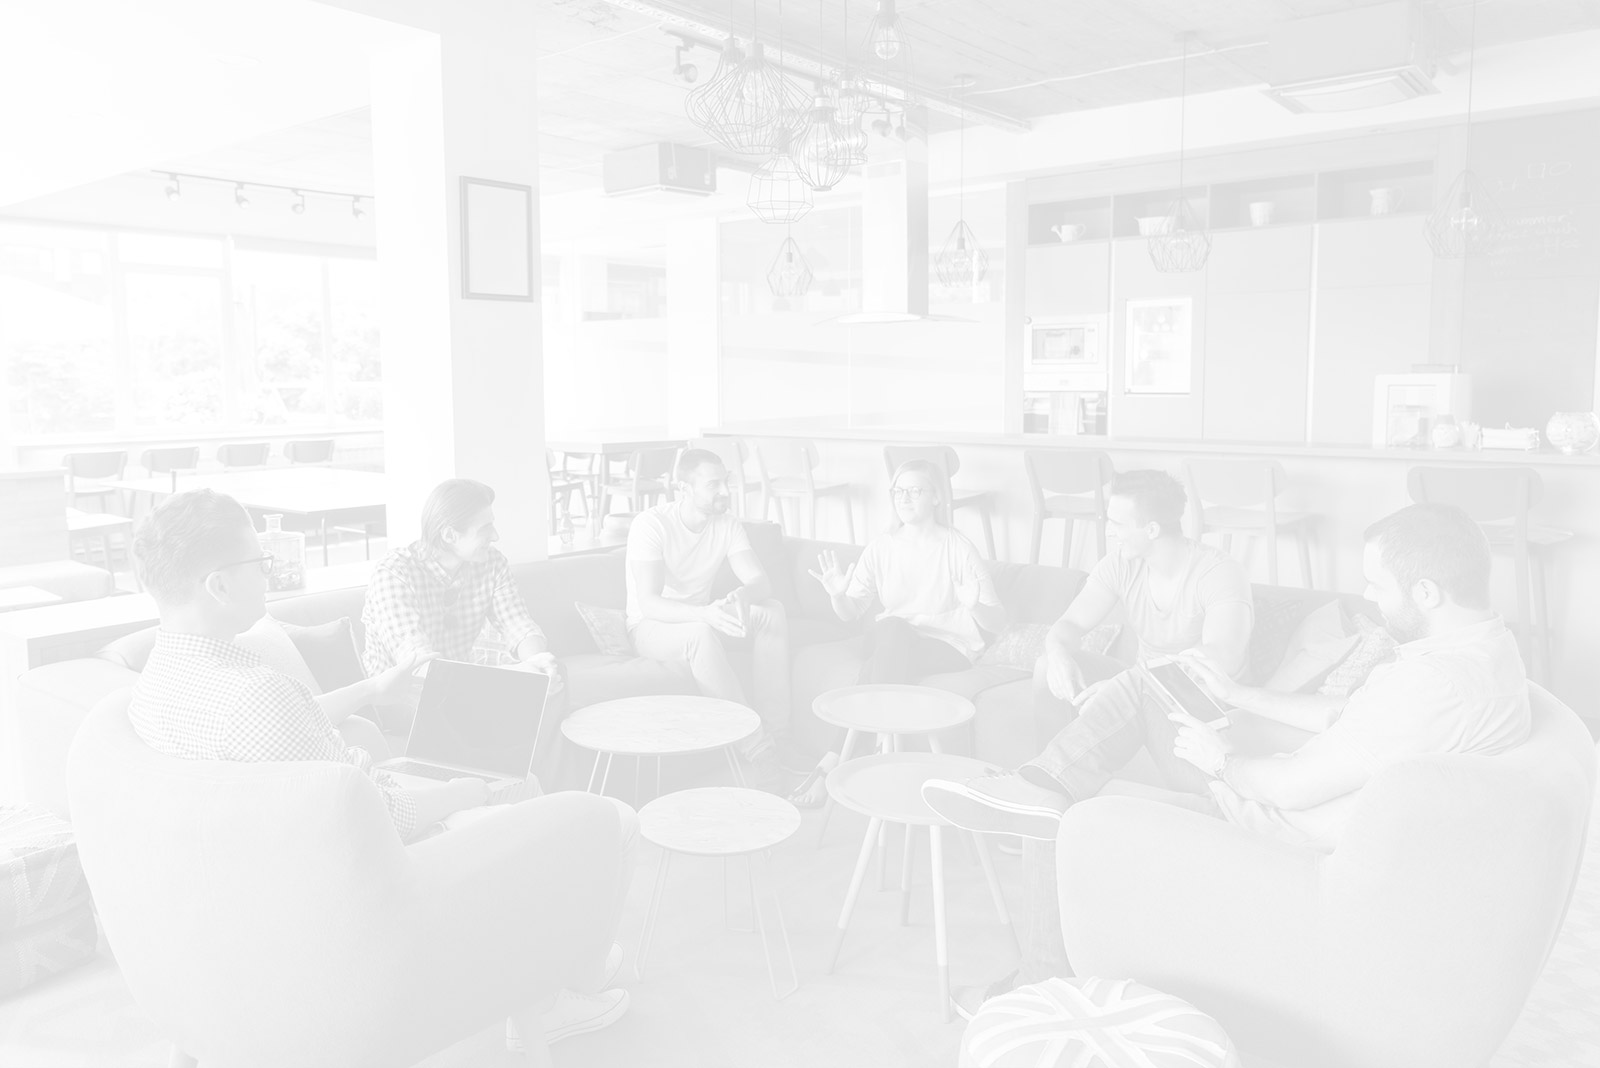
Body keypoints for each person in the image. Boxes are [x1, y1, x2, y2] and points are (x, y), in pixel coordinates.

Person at [925, 500, 1532, 1016]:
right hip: (1286, 801)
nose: (1369, 598)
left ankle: (1037, 970)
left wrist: (1221, 762)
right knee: (1149, 684)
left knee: (1064, 816)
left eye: (1377, 585)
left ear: (1426, 592)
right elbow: (1342, 717)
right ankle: (1039, 782)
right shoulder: (1479, 654)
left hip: (1271, 828)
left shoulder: (1435, 686)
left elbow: (1292, 787)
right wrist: (1241, 695)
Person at [126, 489, 634, 1052]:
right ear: (219, 585)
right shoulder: (255, 696)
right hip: (378, 876)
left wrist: (371, 688)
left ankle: (552, 970)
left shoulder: (160, 684)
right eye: (260, 562)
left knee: (522, 785)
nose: (269, 576)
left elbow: (280, 725)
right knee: (611, 820)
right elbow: (386, 815)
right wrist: (463, 791)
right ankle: (552, 992)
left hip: (289, 870)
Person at [921, 468, 1254, 1010]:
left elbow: (1220, 661)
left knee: (1134, 684)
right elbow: (1066, 628)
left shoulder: (1218, 575)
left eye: (1117, 522)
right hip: (1139, 699)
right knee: (1046, 674)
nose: (1108, 530)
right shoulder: (1123, 563)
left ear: (1151, 528)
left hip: (1198, 724)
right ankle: (1052, 791)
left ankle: (1044, 785)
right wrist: (1056, 654)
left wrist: (1130, 683)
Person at [796, 459, 1006, 804]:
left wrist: (975, 607)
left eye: (915, 490)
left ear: (936, 497)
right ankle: (880, 746)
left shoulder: (958, 547)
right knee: (893, 628)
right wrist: (837, 596)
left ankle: (834, 759)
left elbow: (997, 623)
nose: (904, 498)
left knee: (882, 663)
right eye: (898, 491)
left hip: (946, 645)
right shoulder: (882, 546)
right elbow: (851, 613)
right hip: (891, 637)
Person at [627, 448, 791, 783]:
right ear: (684, 488)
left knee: (771, 611)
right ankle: (758, 749)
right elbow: (649, 603)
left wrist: (744, 595)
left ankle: (778, 735)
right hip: (651, 626)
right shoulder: (651, 524)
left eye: (725, 482)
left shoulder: (727, 525)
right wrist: (704, 614)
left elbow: (761, 583)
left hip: (704, 615)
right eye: (713, 484)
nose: (725, 491)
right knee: (700, 634)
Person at [362, 478, 559, 731]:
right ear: (449, 535)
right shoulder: (394, 573)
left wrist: (537, 664)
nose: (495, 536)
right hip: (399, 698)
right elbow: (419, 666)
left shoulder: (491, 563)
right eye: (485, 528)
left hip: (456, 687)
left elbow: (517, 623)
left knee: (553, 684)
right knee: (485, 710)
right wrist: (514, 677)